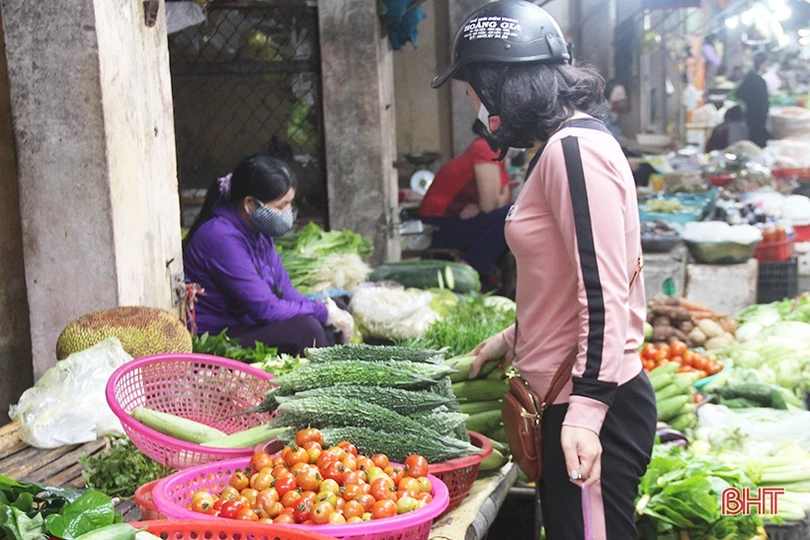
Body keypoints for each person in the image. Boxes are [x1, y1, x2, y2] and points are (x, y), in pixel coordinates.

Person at [431, 2, 656, 539]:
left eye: (474, 92)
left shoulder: (573, 152)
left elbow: (603, 293)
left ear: (503, 87)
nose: (474, 107)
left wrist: (586, 412)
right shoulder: (557, 149)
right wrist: (512, 337)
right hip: (566, 399)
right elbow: (568, 279)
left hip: (587, 403)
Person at [183, 154, 354, 355]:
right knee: (308, 330)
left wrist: (327, 309)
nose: (288, 212)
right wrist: (322, 312)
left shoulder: (258, 231)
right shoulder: (220, 237)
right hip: (218, 336)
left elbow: (286, 290)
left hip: (247, 323)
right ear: (251, 203)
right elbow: (265, 309)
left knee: (338, 307)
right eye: (282, 206)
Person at [418, 119, 512, 279]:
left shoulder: (497, 153)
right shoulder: (484, 148)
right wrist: (491, 202)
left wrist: (486, 204)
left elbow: (498, 201)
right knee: (511, 216)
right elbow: (491, 205)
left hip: (460, 221)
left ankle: (487, 277)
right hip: (440, 225)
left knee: (512, 215)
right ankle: (468, 268)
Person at [736, 51, 771, 148]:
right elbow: (764, 102)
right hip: (758, 116)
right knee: (758, 141)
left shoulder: (750, 77)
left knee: (754, 139)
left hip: (751, 115)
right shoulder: (758, 80)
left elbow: (739, 93)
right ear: (763, 63)